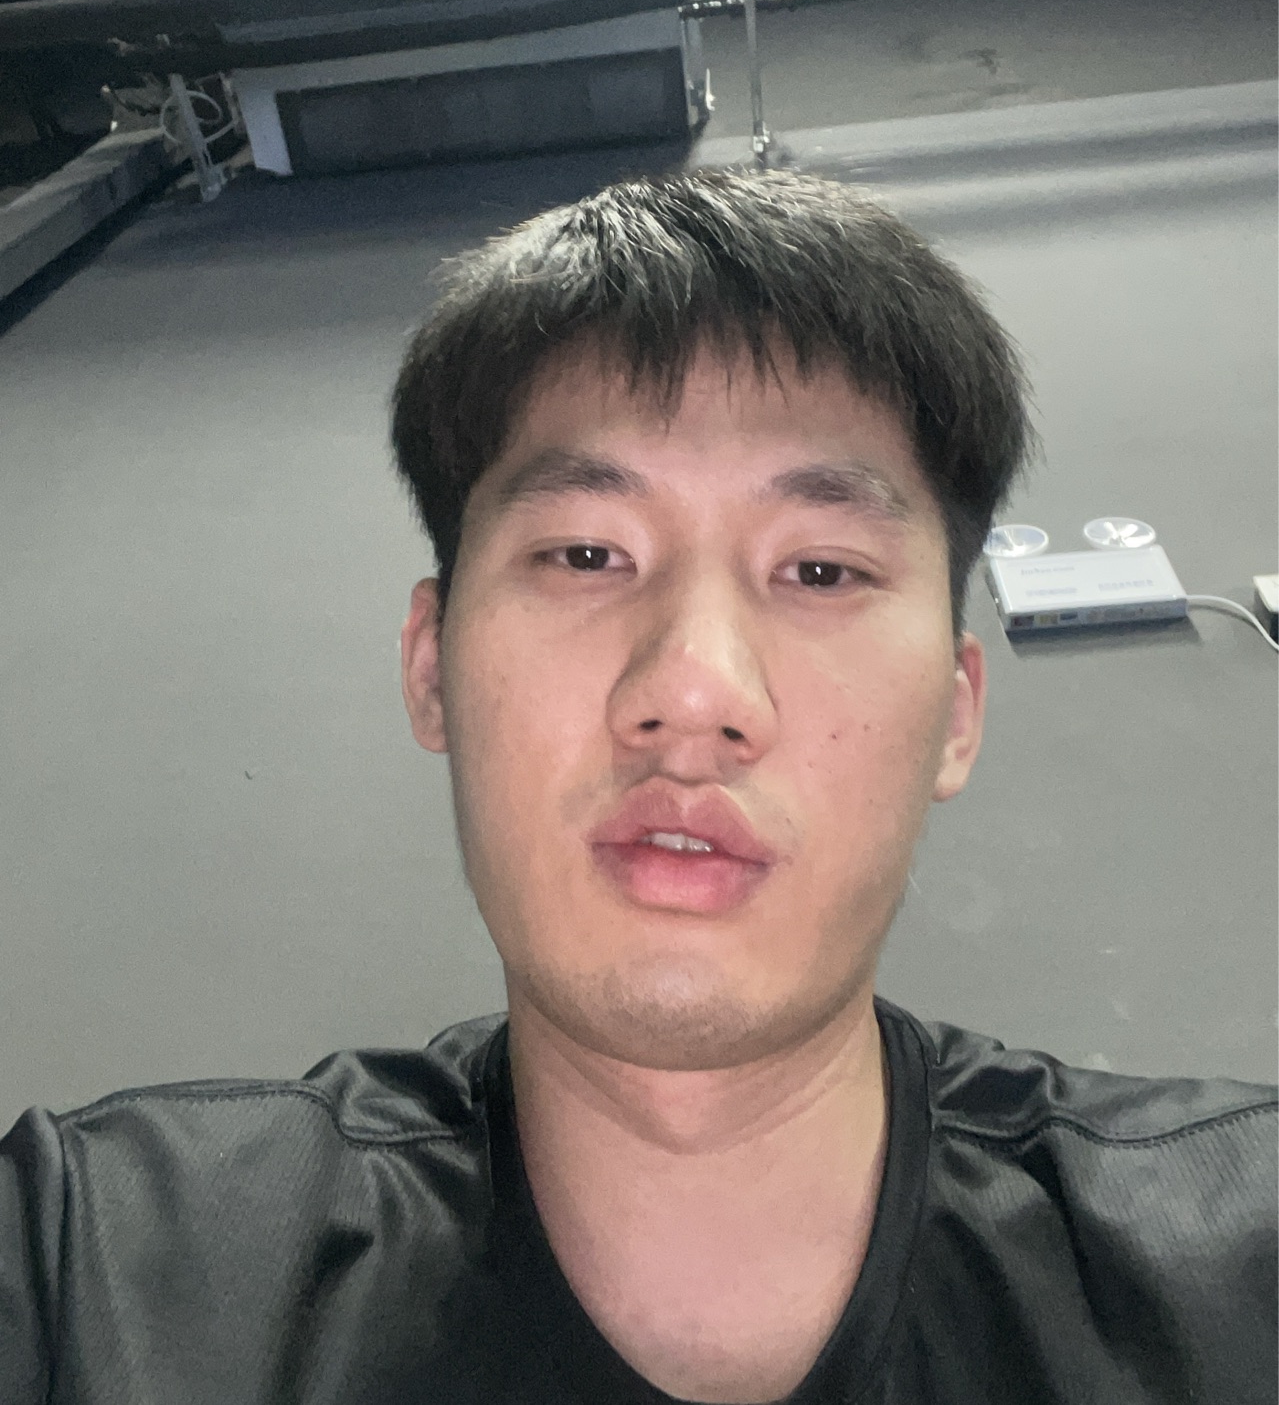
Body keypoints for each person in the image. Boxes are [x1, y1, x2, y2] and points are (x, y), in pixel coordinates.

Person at [0, 169, 1273, 1404]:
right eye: (585, 553)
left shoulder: (1231, 1257)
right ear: (431, 667)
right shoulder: (100, 1273)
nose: (695, 687)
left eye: (820, 570)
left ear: (954, 709)